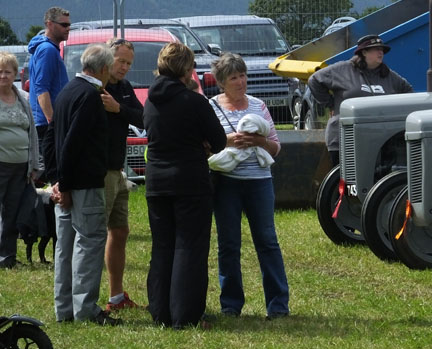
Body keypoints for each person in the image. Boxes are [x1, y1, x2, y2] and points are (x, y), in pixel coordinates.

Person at [143, 42, 226, 329]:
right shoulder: (194, 101)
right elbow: (219, 141)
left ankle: (160, 311)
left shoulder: (151, 101)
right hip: (190, 180)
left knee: (162, 246)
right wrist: (201, 143)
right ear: (187, 69)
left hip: (156, 181)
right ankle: (186, 314)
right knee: (189, 246)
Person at [207, 53, 289, 319]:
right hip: (226, 184)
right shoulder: (211, 107)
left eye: (243, 76)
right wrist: (229, 141)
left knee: (267, 241)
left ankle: (278, 304)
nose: (241, 82)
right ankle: (230, 304)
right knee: (229, 244)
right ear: (222, 82)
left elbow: (276, 148)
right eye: (234, 77)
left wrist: (260, 143)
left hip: (260, 183)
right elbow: (205, 146)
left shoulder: (259, 106)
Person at [51, 44, 117, 325]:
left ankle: (64, 308)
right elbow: (74, 142)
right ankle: (86, 310)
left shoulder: (67, 91)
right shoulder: (91, 96)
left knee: (65, 246)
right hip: (83, 183)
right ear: (103, 69)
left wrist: (56, 179)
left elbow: (52, 137)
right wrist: (64, 184)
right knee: (89, 243)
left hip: (65, 182)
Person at [307, 34, 413, 164]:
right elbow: (314, 80)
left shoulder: (389, 76)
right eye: (376, 49)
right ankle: (345, 186)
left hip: (381, 142)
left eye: (382, 49)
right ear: (364, 52)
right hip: (344, 140)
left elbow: (409, 93)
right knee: (346, 183)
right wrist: (330, 104)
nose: (381, 52)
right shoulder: (343, 69)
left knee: (375, 181)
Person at [100, 38, 144, 312]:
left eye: (129, 63)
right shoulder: (96, 86)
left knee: (120, 230)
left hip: (118, 170)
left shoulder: (124, 88)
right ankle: (85, 299)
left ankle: (116, 296)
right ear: (107, 57)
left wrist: (119, 110)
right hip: (99, 172)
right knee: (93, 236)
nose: (125, 67)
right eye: (121, 61)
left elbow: (141, 118)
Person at [0, 51, 40, 269]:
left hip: (21, 167)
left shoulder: (22, 99)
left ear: (16, 74)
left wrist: (34, 164)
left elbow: (32, 131)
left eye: (7, 72)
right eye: (0, 72)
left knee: (12, 212)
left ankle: (8, 257)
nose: (3, 76)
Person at [27, 7, 70, 147]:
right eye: (64, 25)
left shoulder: (48, 48)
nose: (68, 28)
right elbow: (41, 88)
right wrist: (53, 122)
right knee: (48, 167)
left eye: (69, 25)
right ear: (49, 24)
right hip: (46, 125)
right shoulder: (47, 50)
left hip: (45, 123)